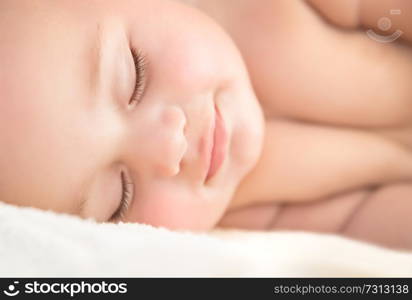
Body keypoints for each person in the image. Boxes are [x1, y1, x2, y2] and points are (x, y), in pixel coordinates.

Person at [1, 0, 411, 249]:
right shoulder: (250, 215)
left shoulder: (274, 11)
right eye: (120, 198)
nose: (169, 146)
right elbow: (369, 222)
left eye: (136, 79)